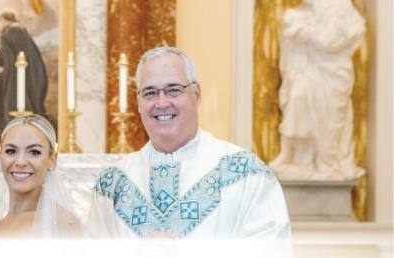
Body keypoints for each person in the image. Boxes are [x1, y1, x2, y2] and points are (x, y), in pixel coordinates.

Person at [88, 46, 290, 239]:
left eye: (173, 90)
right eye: (150, 93)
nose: (162, 103)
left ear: (197, 94)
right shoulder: (113, 184)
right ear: (138, 103)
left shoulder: (247, 173)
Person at [270, 0, 365, 181]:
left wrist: (307, 32)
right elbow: (296, 41)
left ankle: (327, 164)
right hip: (310, 70)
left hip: (335, 72)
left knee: (330, 120)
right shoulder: (300, 13)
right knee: (302, 102)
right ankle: (300, 158)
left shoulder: (342, 6)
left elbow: (334, 40)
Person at [0, 114, 81, 238]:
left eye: (34, 152)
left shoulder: (63, 224)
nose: (21, 162)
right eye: (11, 151)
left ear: (52, 160)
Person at [0, 10, 47, 136]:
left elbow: (3, 54)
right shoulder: (20, 30)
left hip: (16, 77)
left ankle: (1, 122)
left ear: (3, 20)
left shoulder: (9, 32)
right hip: (27, 75)